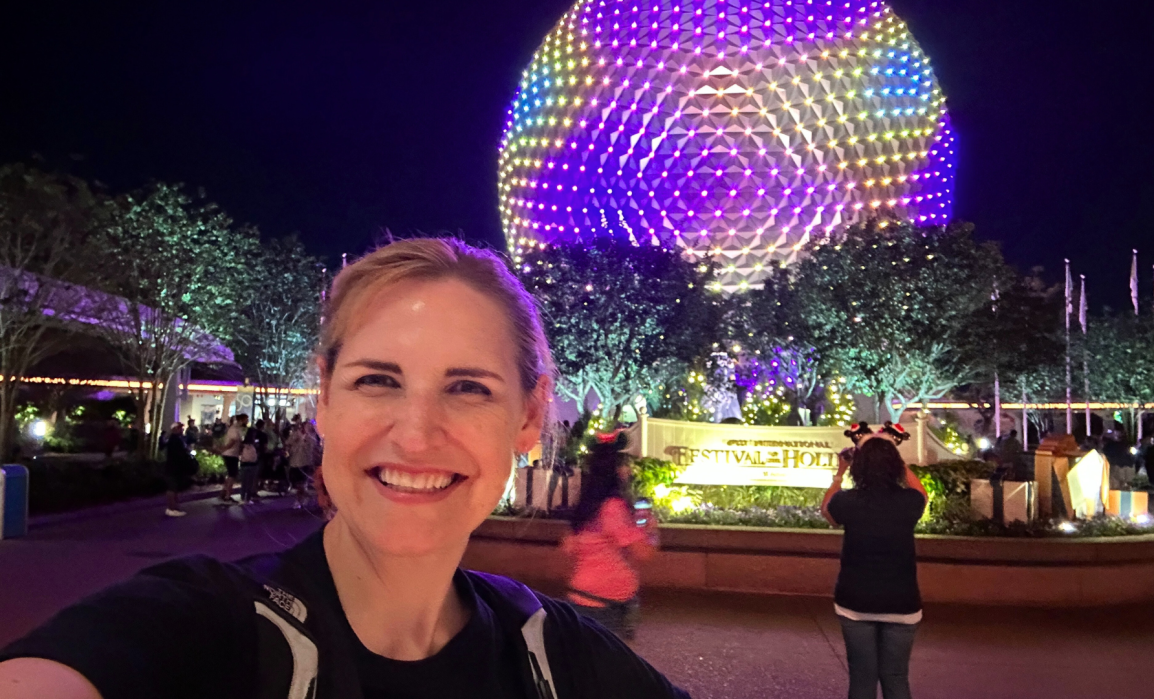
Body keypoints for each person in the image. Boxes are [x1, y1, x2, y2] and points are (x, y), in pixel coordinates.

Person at [0, 237, 688, 699]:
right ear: (324, 396)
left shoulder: (555, 656)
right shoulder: (200, 626)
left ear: (530, 416)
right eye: (378, 381)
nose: (416, 435)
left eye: (469, 387)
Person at [821, 435, 928, 699]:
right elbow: (922, 495)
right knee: (896, 677)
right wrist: (898, 462)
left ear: (860, 467)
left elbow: (827, 511)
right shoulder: (908, 502)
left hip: (855, 601)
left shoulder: (848, 501)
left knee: (861, 677)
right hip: (902, 602)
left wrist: (839, 473)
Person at [560, 431, 656, 641]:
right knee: (609, 669)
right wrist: (651, 531)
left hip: (581, 596)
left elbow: (568, 548)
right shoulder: (613, 508)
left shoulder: (584, 506)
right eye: (624, 464)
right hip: (606, 605)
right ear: (615, 469)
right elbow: (644, 553)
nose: (628, 470)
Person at [162, 422, 197, 518]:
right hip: (173, 467)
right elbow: (178, 455)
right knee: (172, 488)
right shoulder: (174, 440)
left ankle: (174, 507)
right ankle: (171, 508)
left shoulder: (177, 439)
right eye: (180, 428)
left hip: (174, 467)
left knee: (174, 487)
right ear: (175, 429)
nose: (182, 430)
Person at [217, 414, 247, 505]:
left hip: (232, 454)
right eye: (245, 420)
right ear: (240, 420)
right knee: (232, 475)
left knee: (231, 474)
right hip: (231, 454)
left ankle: (223, 493)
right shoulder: (234, 429)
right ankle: (227, 496)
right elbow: (232, 442)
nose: (247, 421)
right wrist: (224, 448)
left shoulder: (236, 429)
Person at [239, 418, 268, 504]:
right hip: (253, 463)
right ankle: (248, 497)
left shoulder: (244, 444)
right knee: (251, 481)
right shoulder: (256, 442)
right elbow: (264, 448)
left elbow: (240, 452)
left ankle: (243, 497)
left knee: (244, 481)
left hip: (244, 463)